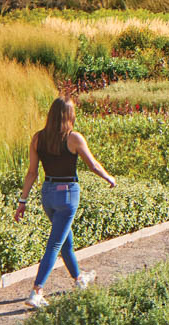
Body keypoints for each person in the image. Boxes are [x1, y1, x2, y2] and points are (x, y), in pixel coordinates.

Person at [14, 97, 116, 309]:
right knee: (55, 244)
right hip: (68, 194)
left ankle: (79, 279)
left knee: (64, 239)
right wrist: (109, 178)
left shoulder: (37, 139)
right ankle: (36, 291)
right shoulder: (74, 138)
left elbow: (32, 173)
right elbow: (93, 165)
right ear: (69, 115)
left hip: (48, 195)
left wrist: (22, 201)